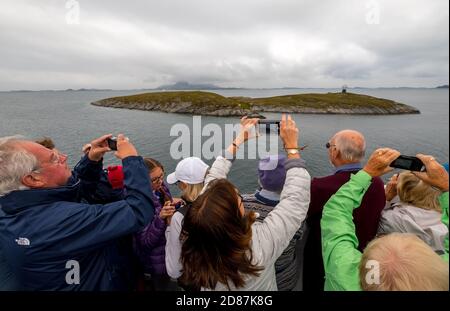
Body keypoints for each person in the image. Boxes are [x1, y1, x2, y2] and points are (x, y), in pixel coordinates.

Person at [0, 134, 154, 290]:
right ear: (33, 179)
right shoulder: (58, 221)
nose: (64, 157)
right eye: (54, 159)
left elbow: (71, 192)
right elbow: (137, 210)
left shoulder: (12, 210)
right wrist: (131, 159)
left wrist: (91, 162)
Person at [178, 114, 311, 291]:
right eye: (239, 198)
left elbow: (213, 177)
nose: (241, 197)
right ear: (235, 215)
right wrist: (292, 147)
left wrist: (240, 139)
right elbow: (296, 200)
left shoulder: (197, 238)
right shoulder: (259, 245)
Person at [321, 149, 449, 290]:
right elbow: (336, 214)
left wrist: (368, 174)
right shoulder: (442, 272)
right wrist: (445, 186)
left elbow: (335, 212)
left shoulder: (344, 274)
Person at [303, 129, 385, 291]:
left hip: (324, 256)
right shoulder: (376, 183)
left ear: (334, 151)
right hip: (364, 254)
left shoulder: (319, 186)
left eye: (329, 145)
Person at [242, 154, 305, 291]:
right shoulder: (298, 212)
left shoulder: (241, 204)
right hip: (284, 277)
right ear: (289, 181)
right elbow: (298, 237)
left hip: (252, 276)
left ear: (260, 179)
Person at [134, 158, 179, 290]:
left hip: (167, 249)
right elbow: (145, 242)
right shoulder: (137, 203)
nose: (160, 181)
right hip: (155, 260)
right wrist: (161, 217)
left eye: (161, 176)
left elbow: (166, 204)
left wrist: (175, 207)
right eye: (154, 180)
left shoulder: (161, 188)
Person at [165, 156, 210, 280]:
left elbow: (174, 269)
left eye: (177, 183)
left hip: (201, 279)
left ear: (184, 185)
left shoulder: (179, 217)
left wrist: (169, 226)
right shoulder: (222, 203)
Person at [379, 172, 448, 253]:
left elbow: (375, 224)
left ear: (401, 190)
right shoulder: (445, 214)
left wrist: (386, 199)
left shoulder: (394, 218)